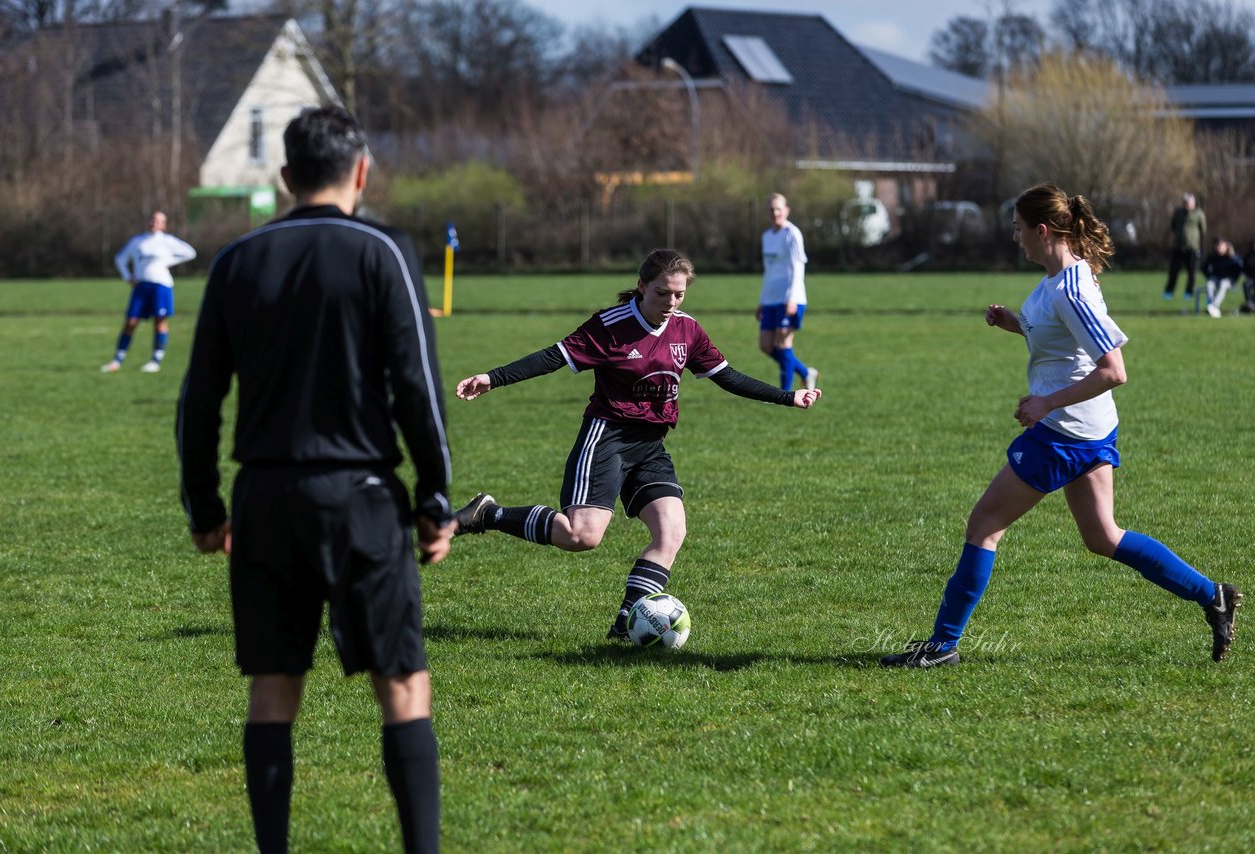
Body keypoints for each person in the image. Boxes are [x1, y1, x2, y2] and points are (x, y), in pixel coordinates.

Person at [176, 105, 452, 853]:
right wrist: (436, 499)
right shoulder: (383, 251)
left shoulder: (237, 260)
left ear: (286, 176)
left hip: (264, 499)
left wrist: (207, 508)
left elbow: (199, 400)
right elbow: (417, 388)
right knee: (401, 685)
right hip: (359, 497)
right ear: (362, 171)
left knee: (273, 690)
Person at [882, 183, 1241, 668]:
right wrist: (1015, 323)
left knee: (984, 525)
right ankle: (1212, 595)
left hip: (1065, 433)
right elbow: (1059, 339)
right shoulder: (1056, 280)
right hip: (1087, 429)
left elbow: (1114, 370)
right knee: (1103, 537)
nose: (1015, 237)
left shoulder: (1072, 288)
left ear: (1043, 230)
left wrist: (1046, 403)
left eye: (1018, 228)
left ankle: (942, 646)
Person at [451, 248, 822, 640]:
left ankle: (625, 625)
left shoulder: (687, 330)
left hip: (650, 447)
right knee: (582, 536)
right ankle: (487, 514)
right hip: (607, 437)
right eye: (663, 293)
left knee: (671, 532)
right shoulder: (610, 326)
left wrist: (787, 396)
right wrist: (493, 377)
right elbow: (553, 357)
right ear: (642, 287)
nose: (671, 303)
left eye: (679, 294)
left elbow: (727, 376)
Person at [101, 210, 196, 373]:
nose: (155, 223)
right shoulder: (138, 241)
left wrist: (169, 261)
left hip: (161, 285)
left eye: (159, 221)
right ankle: (117, 360)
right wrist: (127, 277)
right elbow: (120, 259)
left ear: (164, 225)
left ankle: (155, 360)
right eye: (153, 220)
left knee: (159, 321)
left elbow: (190, 253)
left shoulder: (168, 241)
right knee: (130, 322)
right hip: (141, 286)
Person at [757, 193, 818, 392]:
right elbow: (769, 272)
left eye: (778, 208)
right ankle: (805, 372)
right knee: (766, 345)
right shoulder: (766, 236)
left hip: (790, 299)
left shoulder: (792, 233)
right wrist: (761, 301)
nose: (775, 212)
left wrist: (791, 298)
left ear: (787, 210)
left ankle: (783, 394)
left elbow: (798, 268)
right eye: (771, 209)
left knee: (783, 342)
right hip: (770, 299)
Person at [1163, 192, 1205, 300]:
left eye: (1188, 202)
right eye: (1185, 202)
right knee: (1173, 271)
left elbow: (1203, 230)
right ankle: (1169, 292)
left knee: (1191, 272)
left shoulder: (1199, 213)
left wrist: (1199, 246)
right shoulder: (1178, 212)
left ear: (1193, 202)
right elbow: (1173, 226)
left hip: (1192, 248)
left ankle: (1188, 293)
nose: (1186, 204)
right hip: (1178, 247)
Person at [1201, 237, 1242, 318]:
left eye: (1221, 246)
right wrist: (1209, 276)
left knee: (1224, 284)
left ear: (1226, 246)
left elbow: (1238, 269)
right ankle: (1211, 305)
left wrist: (1233, 279)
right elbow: (1204, 267)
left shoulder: (1232, 256)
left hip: (1228, 280)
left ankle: (1214, 306)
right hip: (1215, 278)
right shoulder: (1212, 256)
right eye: (1218, 247)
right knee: (1209, 284)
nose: (1219, 249)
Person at [1240, 239, 1255, 314]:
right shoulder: (1248, 255)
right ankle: (1249, 303)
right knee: (1246, 284)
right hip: (1251, 277)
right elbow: (1244, 268)